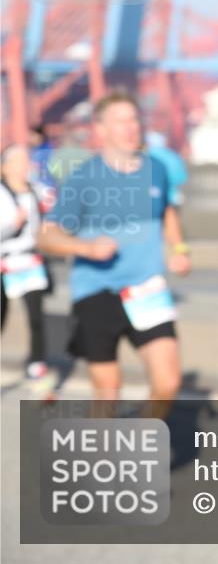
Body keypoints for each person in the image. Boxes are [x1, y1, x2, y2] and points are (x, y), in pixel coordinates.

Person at [38, 91, 191, 417]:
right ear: (101, 129)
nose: (130, 127)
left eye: (134, 119)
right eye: (120, 121)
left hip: (147, 289)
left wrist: (178, 249)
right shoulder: (83, 178)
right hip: (97, 294)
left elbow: (167, 212)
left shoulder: (158, 170)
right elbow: (48, 237)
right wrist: (87, 248)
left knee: (168, 382)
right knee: (108, 393)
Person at [1, 145, 53, 387]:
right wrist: (14, 223)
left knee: (36, 316)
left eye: (26, 159)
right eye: (19, 160)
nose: (25, 165)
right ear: (5, 167)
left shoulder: (38, 191)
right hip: (4, 262)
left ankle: (37, 364)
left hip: (30, 262)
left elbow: (53, 217)